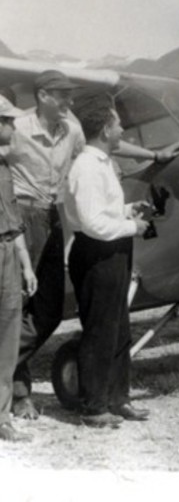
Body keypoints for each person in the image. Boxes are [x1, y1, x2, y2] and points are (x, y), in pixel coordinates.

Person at [8, 70, 179, 419]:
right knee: (18, 307)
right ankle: (17, 388)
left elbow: (102, 141)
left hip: (52, 218)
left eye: (71, 97)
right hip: (20, 218)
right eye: (62, 96)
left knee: (50, 311)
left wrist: (153, 155)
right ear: (42, 95)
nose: (69, 103)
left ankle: (14, 370)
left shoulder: (73, 131)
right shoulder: (16, 129)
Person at [65, 95, 150, 428]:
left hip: (112, 252)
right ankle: (93, 406)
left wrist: (129, 211)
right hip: (97, 255)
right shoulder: (87, 167)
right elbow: (91, 223)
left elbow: (103, 213)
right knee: (100, 331)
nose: (122, 129)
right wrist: (133, 227)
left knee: (119, 330)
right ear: (104, 128)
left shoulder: (100, 163)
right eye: (117, 124)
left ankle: (117, 399)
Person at [0, 96, 37, 442]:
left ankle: (1, 419)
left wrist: (26, 265)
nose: (13, 127)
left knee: (8, 339)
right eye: (8, 121)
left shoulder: (4, 169)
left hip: (8, 252)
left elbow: (13, 223)